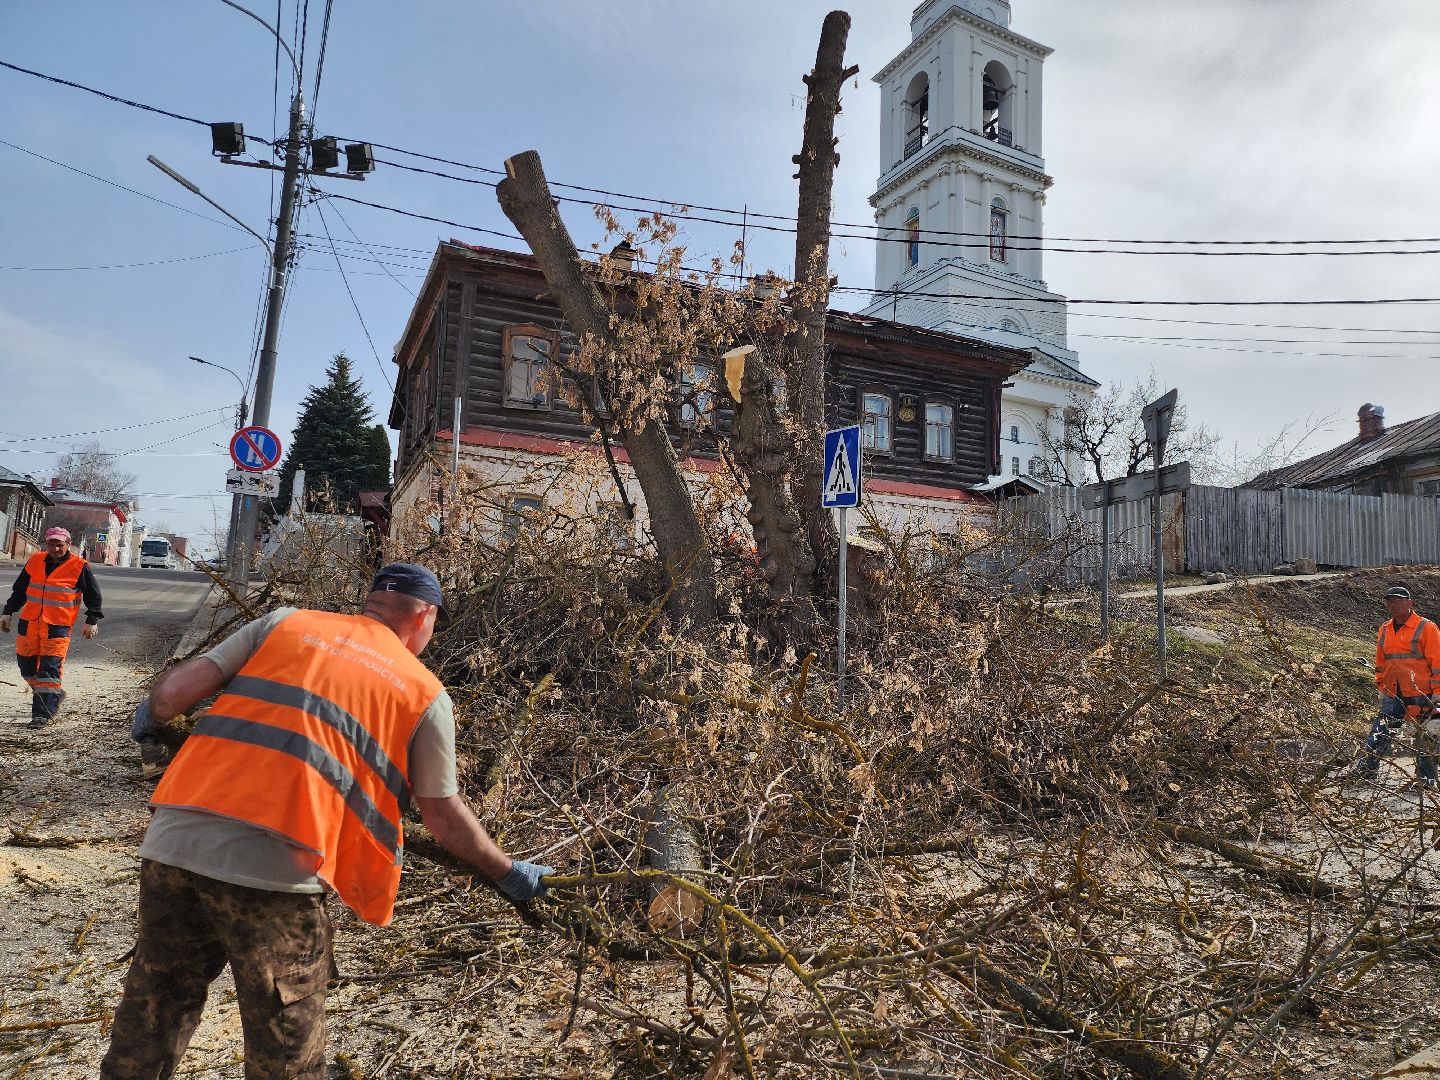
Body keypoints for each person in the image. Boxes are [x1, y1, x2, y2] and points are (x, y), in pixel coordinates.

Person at [100, 563, 554, 1080]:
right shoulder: (424, 693)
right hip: (276, 875)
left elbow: (169, 697)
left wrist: (151, 716)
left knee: (153, 1013)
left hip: (173, 844)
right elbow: (444, 816)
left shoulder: (286, 622)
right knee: (286, 1050)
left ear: (372, 600)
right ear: (425, 615)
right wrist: (508, 872)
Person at [0, 526, 102, 728]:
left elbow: (93, 596)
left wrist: (92, 620)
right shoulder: (36, 560)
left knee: (49, 671)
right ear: (45, 544)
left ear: (68, 544)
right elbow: (20, 590)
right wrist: (8, 611)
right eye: (51, 544)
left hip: (58, 626)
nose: (55, 548)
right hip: (29, 623)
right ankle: (54, 696)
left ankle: (42, 715)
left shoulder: (79, 566)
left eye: (60, 544)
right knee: (26, 668)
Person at [1356, 585, 1440, 786]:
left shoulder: (1426, 628)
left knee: (1426, 737)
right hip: (1393, 693)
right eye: (1389, 602)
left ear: (1409, 603)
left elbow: (1438, 662)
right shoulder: (1385, 629)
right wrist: (1381, 687)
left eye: (1396, 601)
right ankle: (1366, 771)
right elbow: (1381, 662)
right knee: (1379, 733)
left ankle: (1426, 780)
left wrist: (1438, 693)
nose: (1392, 605)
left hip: (1423, 694)